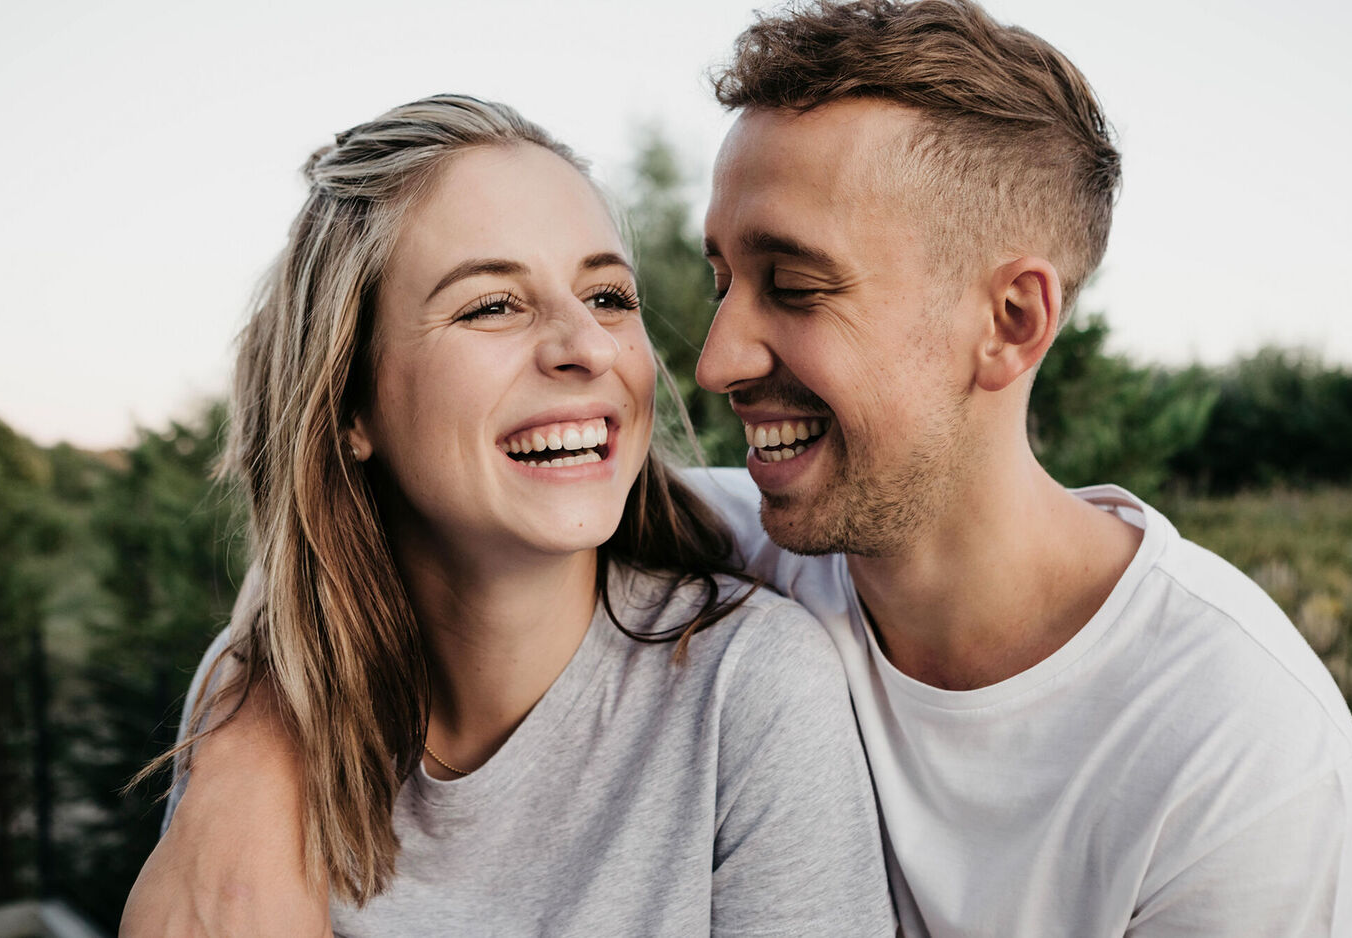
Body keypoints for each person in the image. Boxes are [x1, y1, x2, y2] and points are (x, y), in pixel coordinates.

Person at [128, 2, 1352, 935]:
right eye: (716, 279)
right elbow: (383, 542)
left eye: (796, 285)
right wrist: (249, 744)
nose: (708, 360)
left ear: (1010, 322)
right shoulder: (725, 531)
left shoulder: (1236, 752)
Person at [120, 94, 893, 937]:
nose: (587, 346)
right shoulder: (260, 711)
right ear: (349, 403)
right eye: (492, 305)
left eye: (608, 296)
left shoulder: (748, 691)